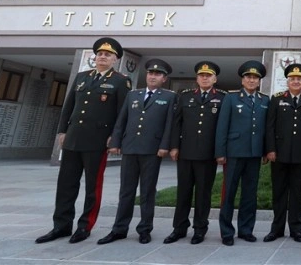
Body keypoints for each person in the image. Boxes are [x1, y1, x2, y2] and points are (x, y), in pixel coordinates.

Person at [35, 37, 131, 244]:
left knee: (92, 187)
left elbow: (123, 113)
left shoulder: (121, 81)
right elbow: (68, 107)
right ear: (95, 57)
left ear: (115, 59)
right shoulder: (81, 77)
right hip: (73, 138)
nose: (103, 57)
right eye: (100, 54)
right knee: (66, 185)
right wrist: (62, 131)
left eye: (107, 55)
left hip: (97, 142)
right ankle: (61, 226)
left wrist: (114, 138)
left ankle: (85, 226)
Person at [97, 59, 176, 245]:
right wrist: (115, 142)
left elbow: (169, 125)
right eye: (150, 73)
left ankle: (144, 229)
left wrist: (164, 145)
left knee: (148, 191)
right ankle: (119, 229)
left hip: (152, 150)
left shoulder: (170, 97)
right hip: (130, 148)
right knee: (126, 191)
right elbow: (121, 120)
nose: (153, 76)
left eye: (157, 74)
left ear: (164, 78)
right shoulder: (133, 95)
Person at [164, 61, 226, 245]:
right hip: (185, 152)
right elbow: (177, 123)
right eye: (201, 75)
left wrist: (220, 152)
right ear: (197, 78)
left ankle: (200, 229)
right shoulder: (184, 96)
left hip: (207, 155)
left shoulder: (222, 98)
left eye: (208, 75)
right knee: (183, 192)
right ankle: (179, 228)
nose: (205, 78)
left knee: (203, 194)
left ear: (215, 78)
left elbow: (222, 128)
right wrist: (174, 147)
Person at [214, 60, 270, 246]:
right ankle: (227, 232)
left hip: (254, 154)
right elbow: (222, 127)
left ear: (259, 81)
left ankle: (246, 230)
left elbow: (266, 129)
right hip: (234, 153)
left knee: (249, 194)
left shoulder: (264, 100)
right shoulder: (230, 98)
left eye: (255, 77)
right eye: (248, 77)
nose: (252, 80)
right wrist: (220, 152)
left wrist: (265, 151)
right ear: (242, 79)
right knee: (229, 193)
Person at [263, 63, 301, 243]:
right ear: (287, 81)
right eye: (292, 79)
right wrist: (270, 149)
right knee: (278, 193)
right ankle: (276, 229)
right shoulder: (277, 99)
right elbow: (269, 127)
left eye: (299, 79)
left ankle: (296, 229)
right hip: (279, 154)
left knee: (296, 193)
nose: (296, 81)